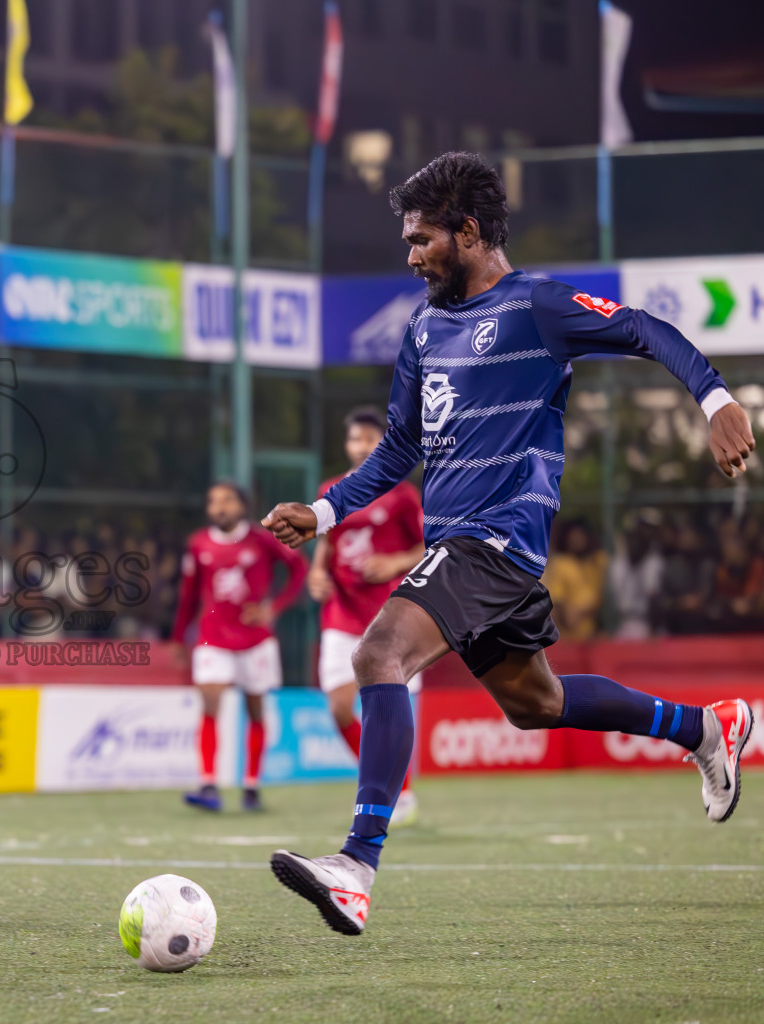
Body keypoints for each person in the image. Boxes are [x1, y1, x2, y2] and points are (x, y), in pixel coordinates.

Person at [261, 153, 757, 936]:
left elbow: (644, 328)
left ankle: (356, 865)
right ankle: (705, 727)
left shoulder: (539, 306)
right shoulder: (424, 327)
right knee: (538, 704)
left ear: (467, 231)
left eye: (422, 238)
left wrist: (716, 398)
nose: (411, 253)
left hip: (492, 541)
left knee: (376, 655)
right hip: (475, 551)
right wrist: (323, 514)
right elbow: (398, 450)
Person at [308, 407, 426, 826]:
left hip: (391, 615)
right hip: (341, 611)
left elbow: (428, 546)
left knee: (388, 713)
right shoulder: (332, 488)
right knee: (341, 708)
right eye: (354, 439)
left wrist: (394, 561)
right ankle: (383, 783)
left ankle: (400, 792)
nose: (360, 446)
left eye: (369, 439)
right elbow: (326, 541)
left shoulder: (402, 495)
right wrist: (317, 571)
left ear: (383, 443)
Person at [172, 481, 308, 812]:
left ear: (242, 507)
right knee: (209, 701)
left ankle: (251, 787)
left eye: (227, 500)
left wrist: (272, 608)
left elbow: (299, 569)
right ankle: (208, 784)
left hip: (254, 641)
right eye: (213, 501)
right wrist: (179, 637)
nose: (219, 507)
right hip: (212, 638)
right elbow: (188, 595)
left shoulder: (262, 540)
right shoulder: (199, 544)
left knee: (255, 709)